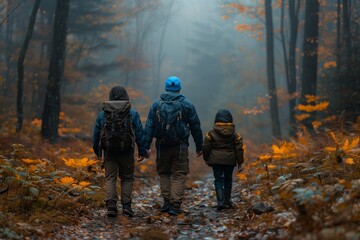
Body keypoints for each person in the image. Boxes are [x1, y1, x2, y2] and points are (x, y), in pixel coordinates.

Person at [143, 76, 203, 215]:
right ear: (179, 88)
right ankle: (175, 205)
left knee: (164, 173)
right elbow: (196, 127)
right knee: (179, 174)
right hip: (180, 146)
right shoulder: (187, 104)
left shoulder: (156, 105)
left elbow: (149, 127)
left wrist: (145, 147)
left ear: (165, 88)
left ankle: (166, 202)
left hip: (161, 146)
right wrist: (199, 147)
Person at [93, 86, 148, 217]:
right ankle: (127, 207)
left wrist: (98, 151)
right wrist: (142, 150)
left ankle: (111, 206)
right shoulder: (132, 113)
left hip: (109, 152)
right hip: (127, 151)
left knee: (110, 178)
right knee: (127, 178)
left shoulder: (103, 113)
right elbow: (139, 133)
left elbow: (96, 134)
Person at [203, 109, 244, 211]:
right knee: (228, 180)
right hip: (230, 161)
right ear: (230, 119)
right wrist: (240, 162)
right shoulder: (235, 134)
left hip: (216, 160)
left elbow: (206, 147)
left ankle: (220, 202)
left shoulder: (211, 133)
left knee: (218, 180)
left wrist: (206, 159)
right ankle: (227, 201)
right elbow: (239, 149)